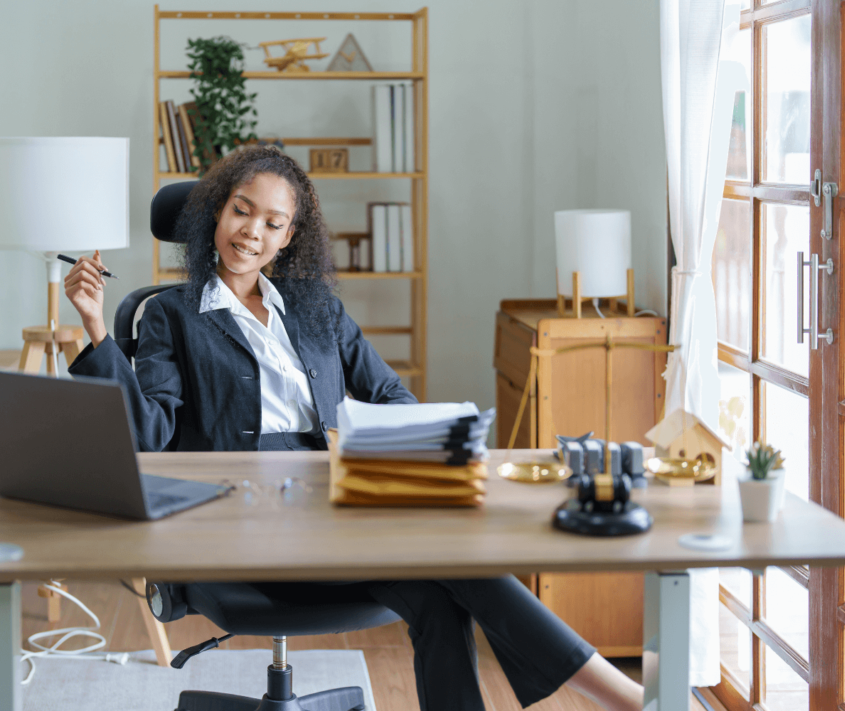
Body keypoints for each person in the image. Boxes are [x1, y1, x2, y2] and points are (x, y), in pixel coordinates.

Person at [64, 145, 643, 711]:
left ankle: (616, 695)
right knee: (456, 559)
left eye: (273, 221)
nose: (251, 232)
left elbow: (389, 392)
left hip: (334, 498)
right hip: (238, 513)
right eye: (241, 210)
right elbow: (150, 434)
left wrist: (416, 447)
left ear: (289, 236)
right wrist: (96, 329)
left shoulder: (316, 306)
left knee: (440, 595)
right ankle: (620, 695)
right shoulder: (172, 315)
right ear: (217, 211)